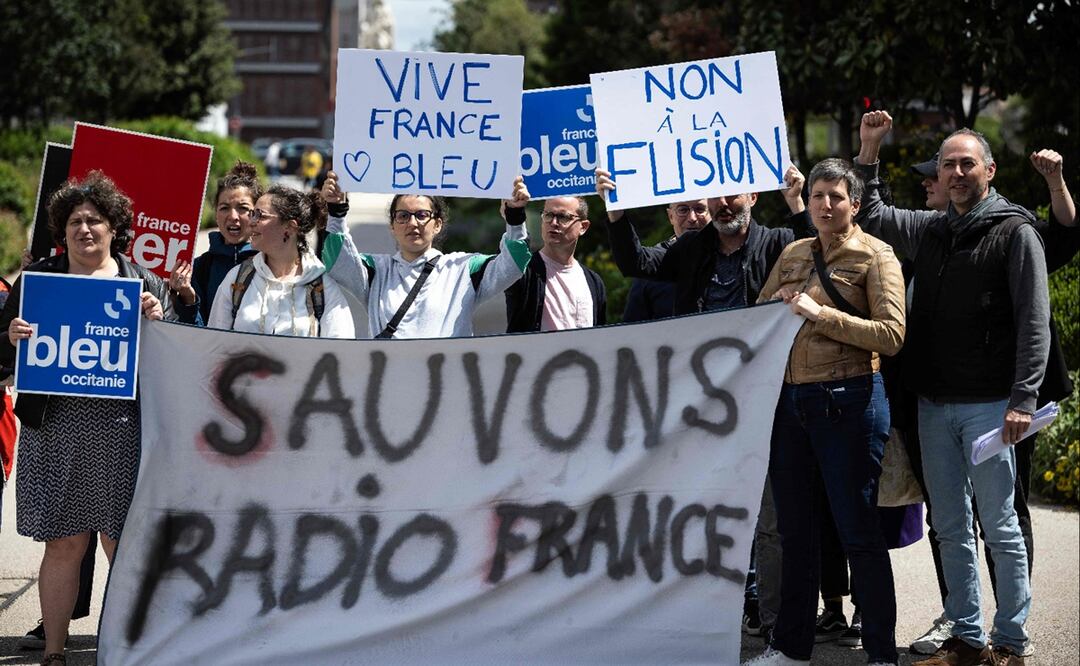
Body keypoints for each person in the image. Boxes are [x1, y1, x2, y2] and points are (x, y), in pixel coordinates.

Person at [857, 112, 1076, 662]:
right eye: (949, 164)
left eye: (966, 164)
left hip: (993, 408)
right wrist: (869, 149)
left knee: (1000, 527)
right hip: (934, 406)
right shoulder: (933, 228)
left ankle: (1010, 642)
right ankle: (968, 637)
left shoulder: (1015, 230)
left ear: (989, 170)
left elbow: (1033, 319)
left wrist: (1024, 399)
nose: (955, 173)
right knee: (951, 527)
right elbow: (877, 215)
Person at [598, 166, 808, 643]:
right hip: (704, 406)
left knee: (770, 517)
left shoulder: (777, 240)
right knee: (703, 507)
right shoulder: (692, 247)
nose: (723, 206)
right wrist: (616, 215)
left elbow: (819, 253)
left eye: (731, 195)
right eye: (715, 199)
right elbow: (638, 264)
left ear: (752, 195)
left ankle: (773, 622)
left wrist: (797, 203)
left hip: (768, 397)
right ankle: (705, 613)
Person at [0, 171, 178, 666]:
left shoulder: (141, 282)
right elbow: (0, 355)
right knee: (63, 544)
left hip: (123, 432)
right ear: (63, 230)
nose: (85, 229)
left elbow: (179, 352)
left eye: (95, 220)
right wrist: (10, 338)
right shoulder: (37, 284)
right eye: (75, 221)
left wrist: (160, 318)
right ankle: (54, 653)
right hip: (54, 431)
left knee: (121, 545)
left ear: (113, 227)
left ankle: (122, 648)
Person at [744, 158, 906, 666]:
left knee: (857, 531)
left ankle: (880, 653)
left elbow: (892, 335)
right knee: (795, 534)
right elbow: (759, 316)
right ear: (807, 201)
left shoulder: (876, 255)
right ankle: (791, 648)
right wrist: (776, 303)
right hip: (791, 406)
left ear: (854, 203)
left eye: (836, 196)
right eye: (817, 196)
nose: (826, 205)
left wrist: (822, 313)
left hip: (850, 401)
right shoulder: (792, 252)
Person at [320, 171, 532, 339]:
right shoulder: (375, 270)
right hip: (389, 389)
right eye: (403, 216)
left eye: (422, 215)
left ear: (437, 224)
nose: (413, 223)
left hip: (448, 388)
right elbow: (337, 260)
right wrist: (336, 211)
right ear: (392, 226)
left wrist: (515, 218)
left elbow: (513, 265)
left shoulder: (463, 269)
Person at [207, 184, 354, 338]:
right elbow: (214, 345)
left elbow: (340, 353)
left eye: (260, 216)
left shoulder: (324, 287)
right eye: (252, 214)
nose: (251, 222)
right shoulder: (237, 278)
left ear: (290, 227)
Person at [170, 161, 261, 325]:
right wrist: (187, 299)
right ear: (216, 213)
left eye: (242, 208)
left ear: (257, 213)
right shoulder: (201, 267)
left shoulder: (270, 262)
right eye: (225, 208)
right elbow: (198, 333)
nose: (233, 216)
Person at [505, 195, 606, 332]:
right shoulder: (523, 270)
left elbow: (600, 336)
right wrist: (514, 212)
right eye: (548, 215)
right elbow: (513, 249)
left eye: (563, 217)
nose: (553, 222)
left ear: (583, 227)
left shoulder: (594, 282)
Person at [621, 199, 710, 322]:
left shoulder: (730, 257)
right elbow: (631, 331)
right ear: (670, 216)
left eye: (700, 209)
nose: (692, 218)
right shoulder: (650, 269)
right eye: (683, 210)